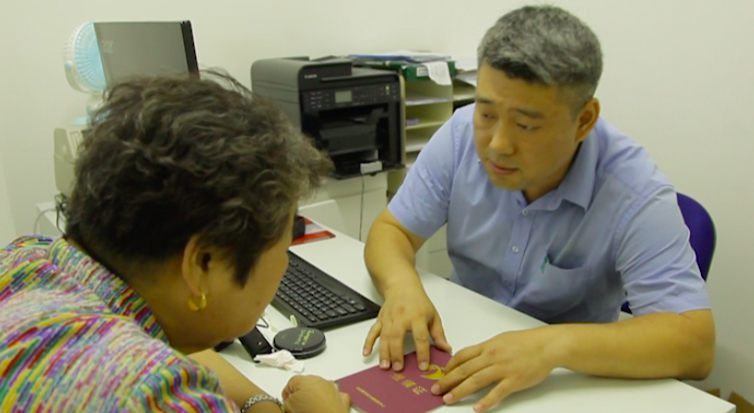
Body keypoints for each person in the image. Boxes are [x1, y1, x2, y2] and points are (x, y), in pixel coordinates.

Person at [362, 5, 715, 412]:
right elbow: (393, 231)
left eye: (526, 125)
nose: (497, 143)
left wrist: (551, 345)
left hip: (563, 382)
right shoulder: (461, 134)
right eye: (487, 113)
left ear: (584, 120)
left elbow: (695, 343)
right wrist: (402, 287)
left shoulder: (633, 191)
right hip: (460, 345)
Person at [0, 72, 350, 412]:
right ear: (201, 264)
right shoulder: (157, 399)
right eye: (285, 243)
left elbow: (186, 353)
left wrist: (261, 405)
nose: (285, 264)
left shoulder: (25, 259)